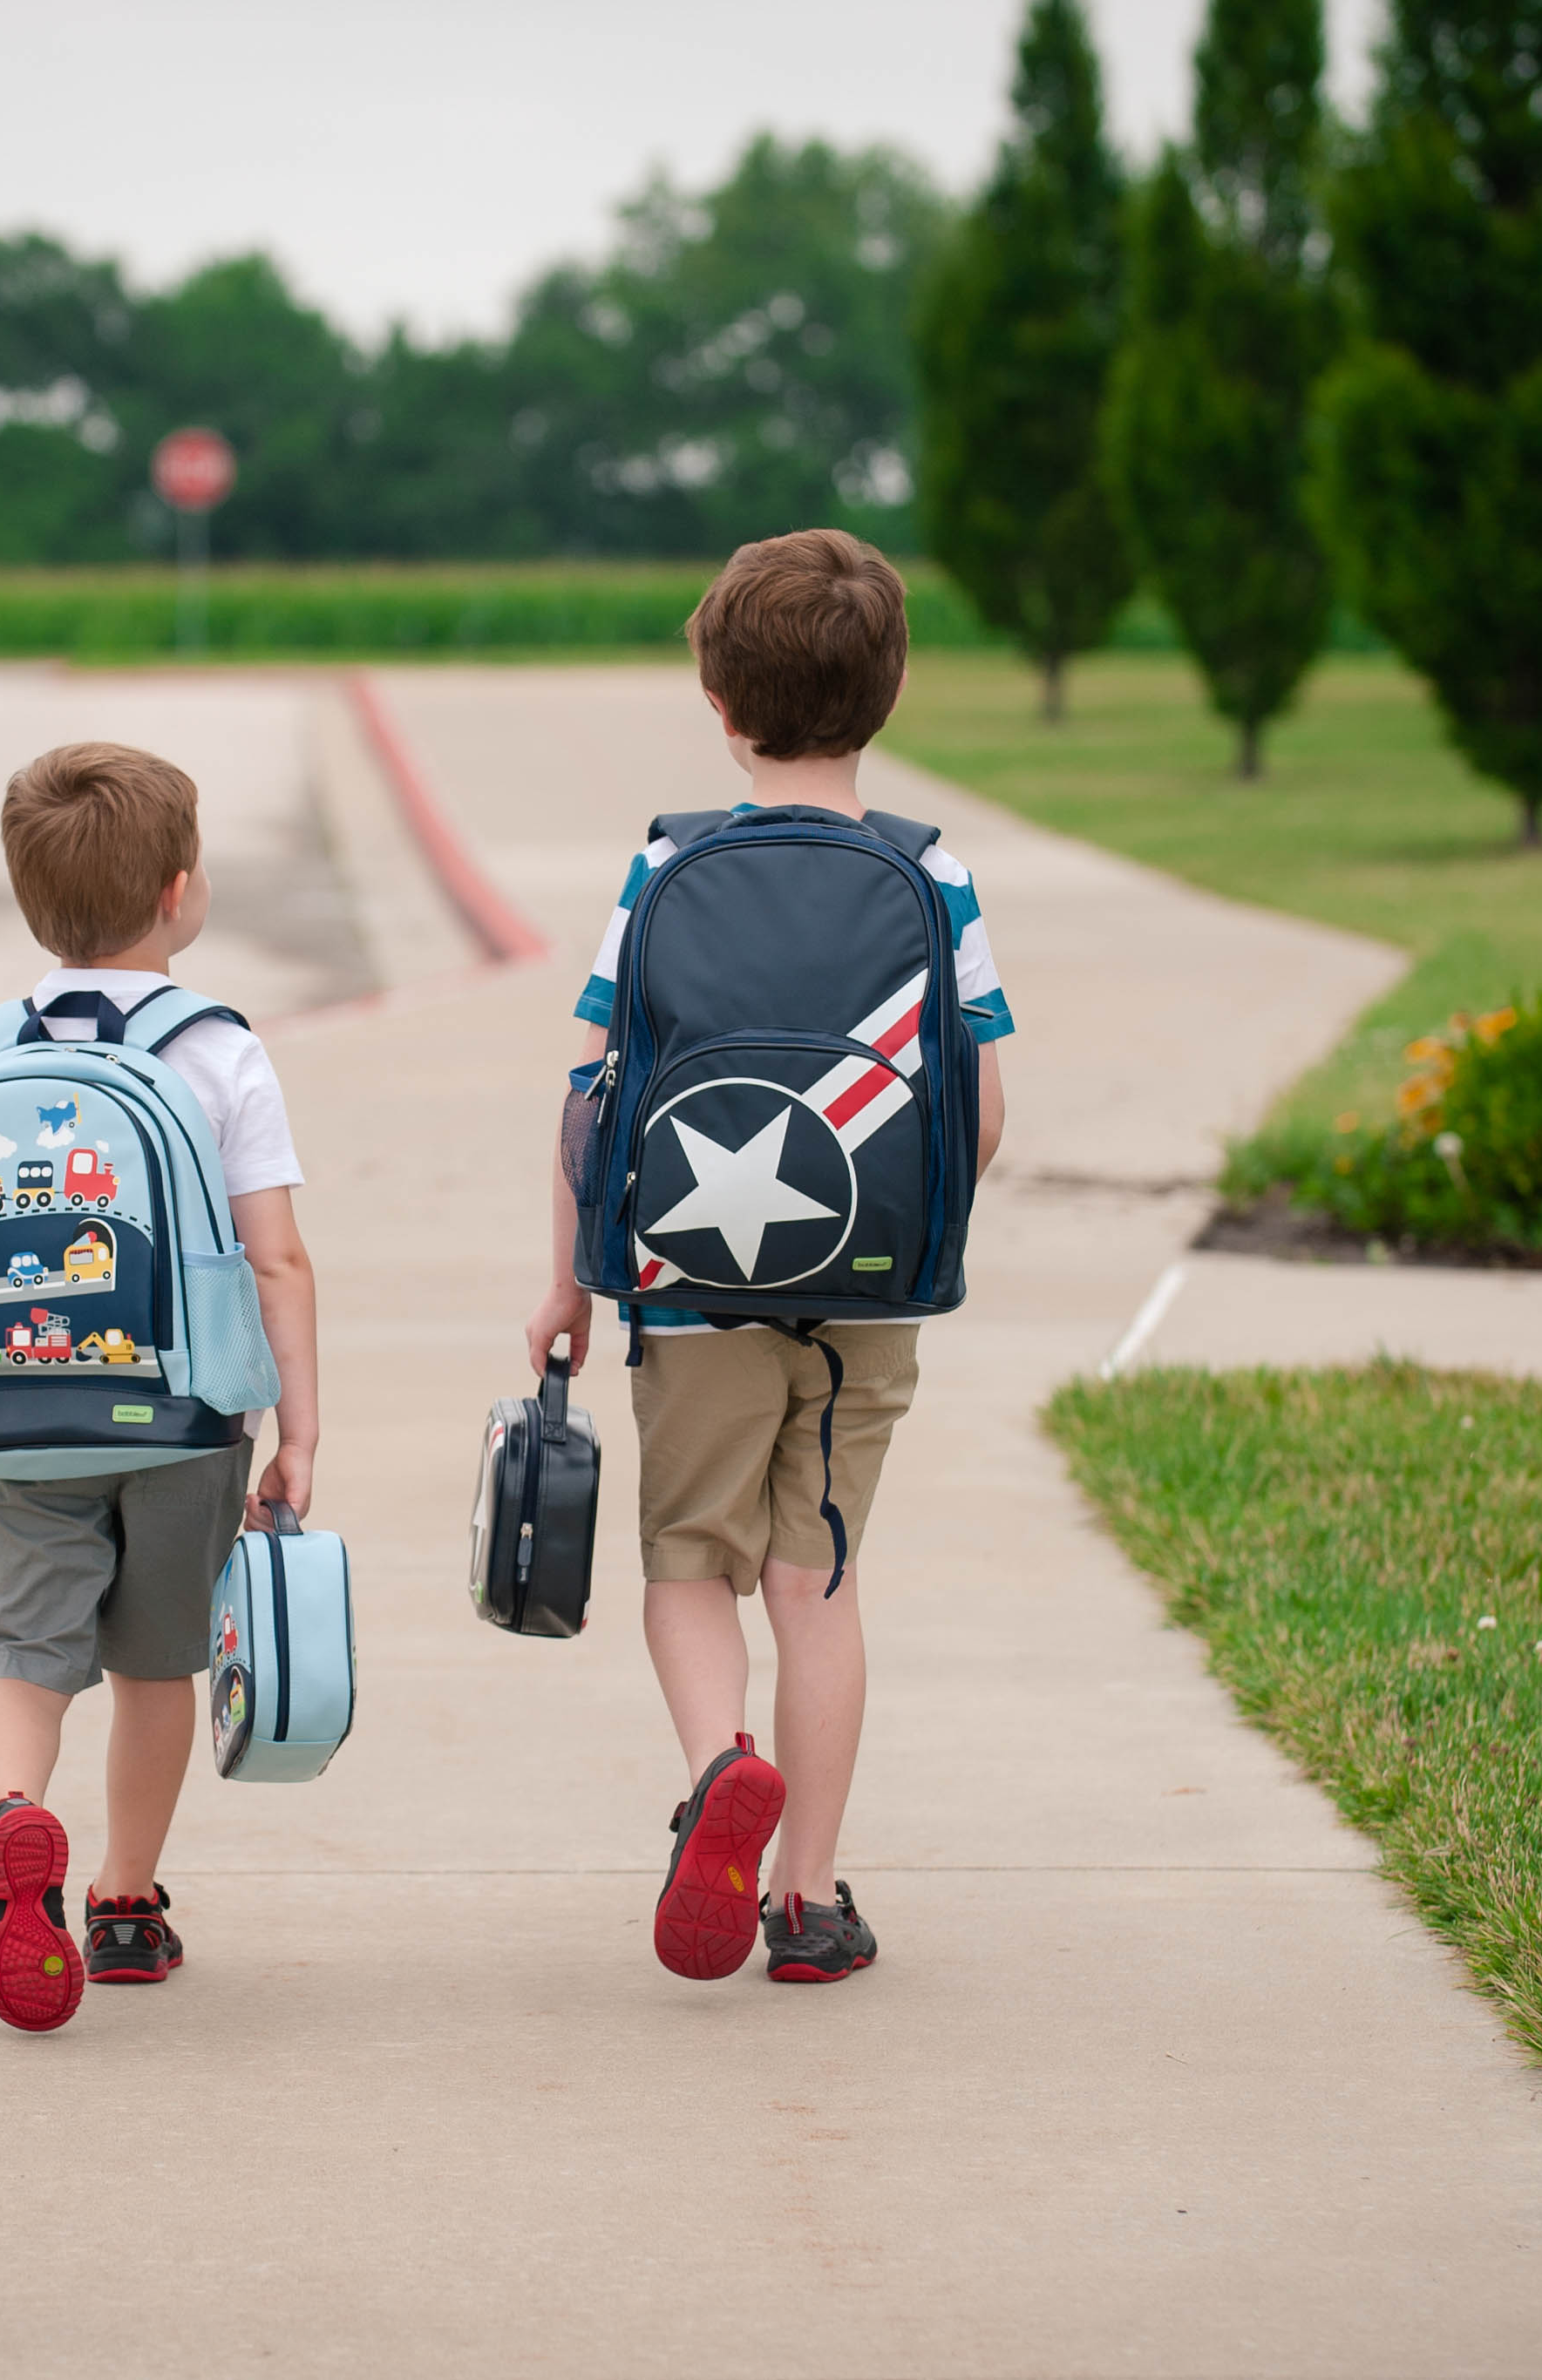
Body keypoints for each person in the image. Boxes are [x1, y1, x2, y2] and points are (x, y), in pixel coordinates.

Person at [519, 531, 1010, 1985]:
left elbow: (591, 1094)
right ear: (890, 693)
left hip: (688, 1286)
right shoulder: (935, 874)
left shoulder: (667, 865)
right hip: (870, 1286)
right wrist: (901, 1227)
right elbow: (979, 1107)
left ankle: (716, 1769)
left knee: (689, 1563)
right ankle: (805, 1903)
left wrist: (568, 1279)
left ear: (720, 707)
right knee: (821, 1587)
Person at [0, 742, 320, 2033]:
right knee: (156, 1665)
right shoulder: (218, 1052)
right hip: (182, 1415)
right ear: (180, 893)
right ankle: (120, 1904)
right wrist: (296, 1427)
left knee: (23, 1641)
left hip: (14, 1406)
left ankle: (15, 1822)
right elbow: (274, 1254)